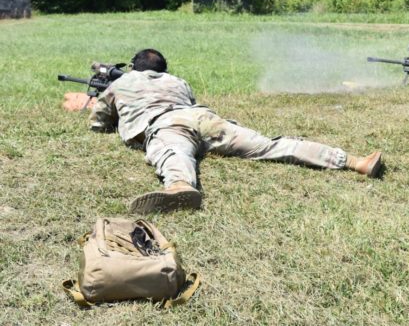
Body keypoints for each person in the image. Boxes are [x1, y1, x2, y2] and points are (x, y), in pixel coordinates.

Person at [63, 49, 383, 213]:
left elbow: (100, 122)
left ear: (134, 67)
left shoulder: (123, 82)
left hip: (166, 124)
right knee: (270, 144)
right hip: (203, 118)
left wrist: (102, 109)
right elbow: (187, 103)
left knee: (172, 151)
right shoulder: (178, 81)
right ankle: (355, 161)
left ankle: (179, 187)